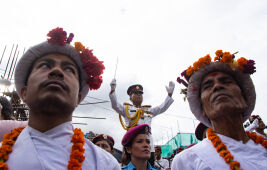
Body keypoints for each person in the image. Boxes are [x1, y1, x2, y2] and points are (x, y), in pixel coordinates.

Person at [0, 27, 120, 169]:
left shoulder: (105, 164)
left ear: (78, 98)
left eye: (69, 69)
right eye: (45, 66)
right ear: (24, 92)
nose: (56, 71)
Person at [174, 50, 267, 169]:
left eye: (226, 81)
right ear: (203, 109)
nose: (217, 86)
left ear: (245, 99)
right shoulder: (187, 160)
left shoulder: (263, 147)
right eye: (208, 86)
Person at [109, 80, 175, 165]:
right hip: (133, 142)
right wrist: (112, 91)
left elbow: (162, 108)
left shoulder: (148, 110)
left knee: (149, 165)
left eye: (140, 93)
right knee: (129, 165)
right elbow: (115, 105)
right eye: (136, 93)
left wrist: (169, 95)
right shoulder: (126, 109)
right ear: (130, 97)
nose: (139, 95)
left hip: (148, 143)